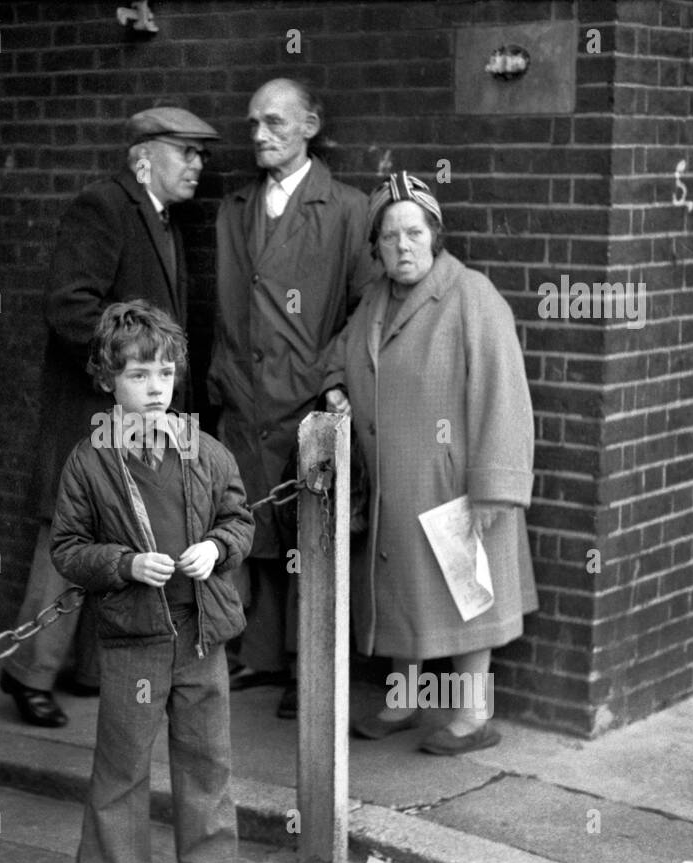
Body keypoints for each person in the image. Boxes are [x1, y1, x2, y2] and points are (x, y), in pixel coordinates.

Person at [1, 106, 221, 728]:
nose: (198, 164)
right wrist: (125, 375)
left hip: (133, 419)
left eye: (201, 154)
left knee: (118, 537)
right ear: (144, 157)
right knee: (67, 543)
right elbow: (69, 306)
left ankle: (86, 669)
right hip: (93, 413)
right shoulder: (104, 206)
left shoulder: (159, 220)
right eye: (188, 152)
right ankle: (27, 673)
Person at [322, 172, 537, 755]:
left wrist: (496, 488)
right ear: (376, 247)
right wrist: (338, 385)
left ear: (434, 235)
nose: (402, 247)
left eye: (413, 232)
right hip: (395, 485)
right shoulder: (373, 300)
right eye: (389, 237)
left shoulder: (472, 297)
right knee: (400, 594)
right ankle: (405, 700)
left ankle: (472, 716)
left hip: (454, 486)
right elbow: (338, 356)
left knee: (469, 599)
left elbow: (505, 397)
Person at [50, 300, 253, 863]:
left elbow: (239, 522)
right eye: (138, 375)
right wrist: (125, 564)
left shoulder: (206, 452)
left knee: (208, 767)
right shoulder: (89, 462)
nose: (156, 387)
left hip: (200, 638)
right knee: (121, 771)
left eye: (165, 372)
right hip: (132, 640)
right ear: (108, 381)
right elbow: (66, 548)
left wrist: (216, 548)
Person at [209, 78, 373, 718]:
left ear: (310, 124)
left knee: (311, 537)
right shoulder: (235, 207)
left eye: (275, 123)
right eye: (252, 124)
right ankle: (264, 656)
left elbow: (363, 308)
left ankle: (311, 668)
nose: (259, 135)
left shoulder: (349, 209)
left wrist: (330, 377)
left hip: (306, 399)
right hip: (243, 397)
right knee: (254, 526)